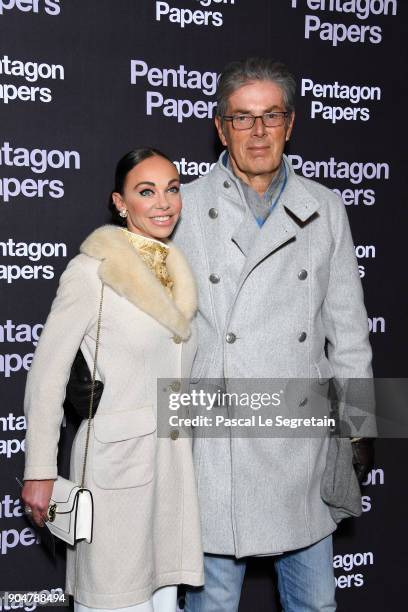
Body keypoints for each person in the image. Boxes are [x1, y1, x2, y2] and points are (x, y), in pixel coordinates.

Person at [173, 58, 375, 611]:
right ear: (220, 127)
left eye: (270, 116)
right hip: (214, 440)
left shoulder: (325, 207)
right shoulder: (183, 206)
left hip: (299, 437)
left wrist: (361, 422)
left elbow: (349, 331)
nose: (258, 132)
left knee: (315, 605)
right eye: (242, 118)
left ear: (291, 124)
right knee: (211, 606)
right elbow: (147, 314)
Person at [21, 148, 204, 612]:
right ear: (120, 202)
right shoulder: (91, 271)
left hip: (173, 470)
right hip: (116, 469)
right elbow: (47, 374)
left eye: (173, 188)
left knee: (165, 602)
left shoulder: (177, 272)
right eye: (147, 191)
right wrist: (40, 470)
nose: (164, 202)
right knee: (114, 601)